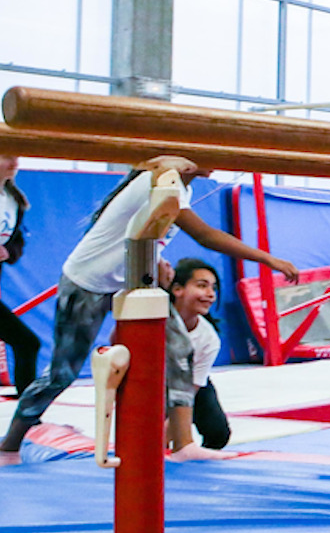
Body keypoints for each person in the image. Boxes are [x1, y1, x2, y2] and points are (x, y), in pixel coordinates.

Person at [0, 156, 299, 465]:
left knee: (181, 348)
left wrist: (156, 261)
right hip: (87, 282)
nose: (219, 159)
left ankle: (183, 444)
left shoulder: (182, 188)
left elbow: (142, 231)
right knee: (61, 374)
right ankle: (10, 445)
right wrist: (268, 259)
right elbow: (205, 236)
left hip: (132, 279)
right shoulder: (158, 179)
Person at [164, 257, 233, 461]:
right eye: (202, 286)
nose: (210, 294)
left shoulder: (208, 338)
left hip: (188, 383)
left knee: (218, 433)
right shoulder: (155, 319)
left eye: (213, 288)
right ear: (177, 289)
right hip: (151, 381)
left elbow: (188, 393)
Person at [0, 155, 40, 397]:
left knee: (27, 343)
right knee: (27, 342)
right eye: (7, 156)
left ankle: (29, 411)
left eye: (17, 156)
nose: (14, 161)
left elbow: (17, 243)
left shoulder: (14, 201)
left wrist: (9, 251)